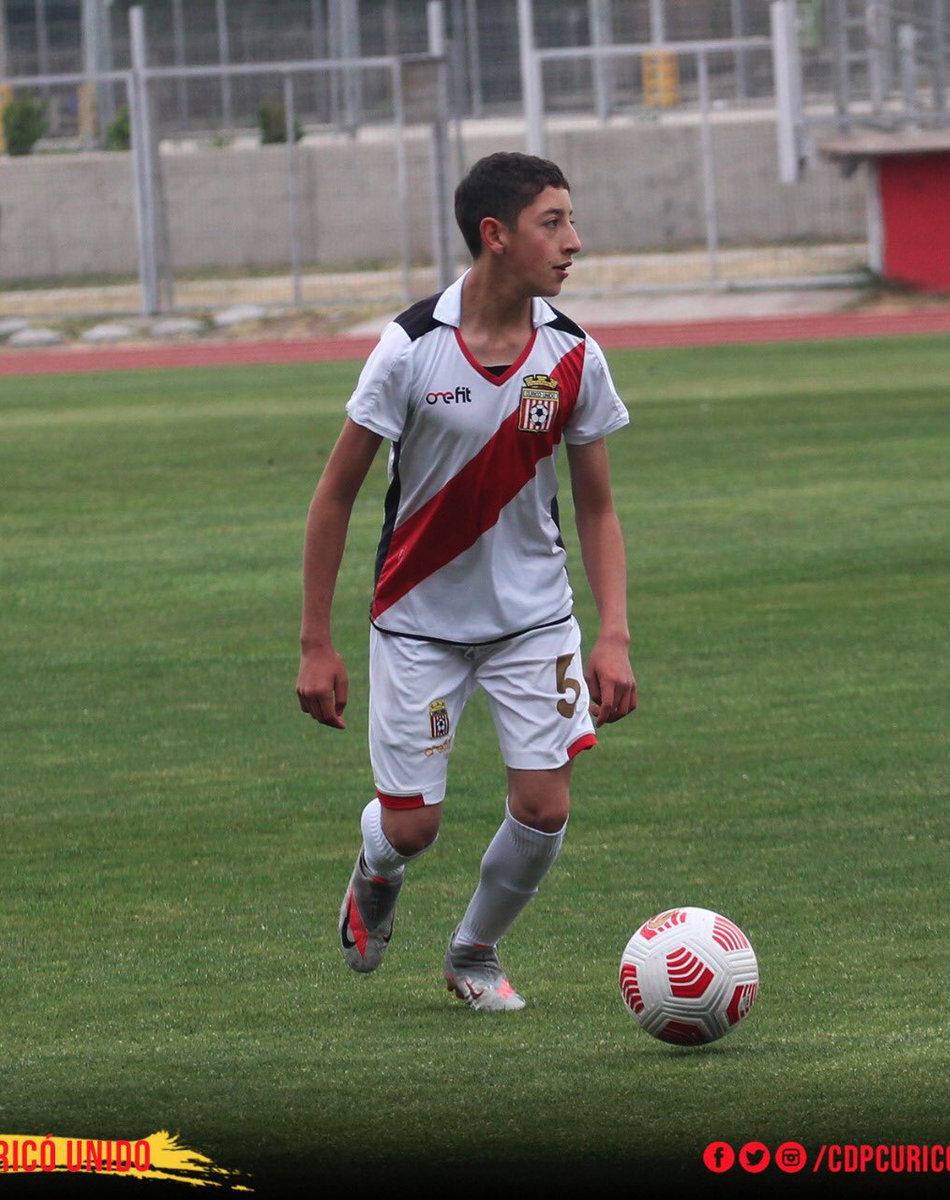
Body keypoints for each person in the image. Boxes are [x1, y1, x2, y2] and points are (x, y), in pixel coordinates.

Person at [296, 151, 636, 1012]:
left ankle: (474, 952)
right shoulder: (410, 349)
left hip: (533, 622)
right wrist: (316, 643)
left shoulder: (572, 353)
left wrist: (614, 632)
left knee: (546, 810)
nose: (574, 242)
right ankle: (377, 868)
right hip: (418, 623)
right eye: (552, 223)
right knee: (413, 825)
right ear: (496, 235)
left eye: (572, 220)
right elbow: (334, 496)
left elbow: (596, 509)